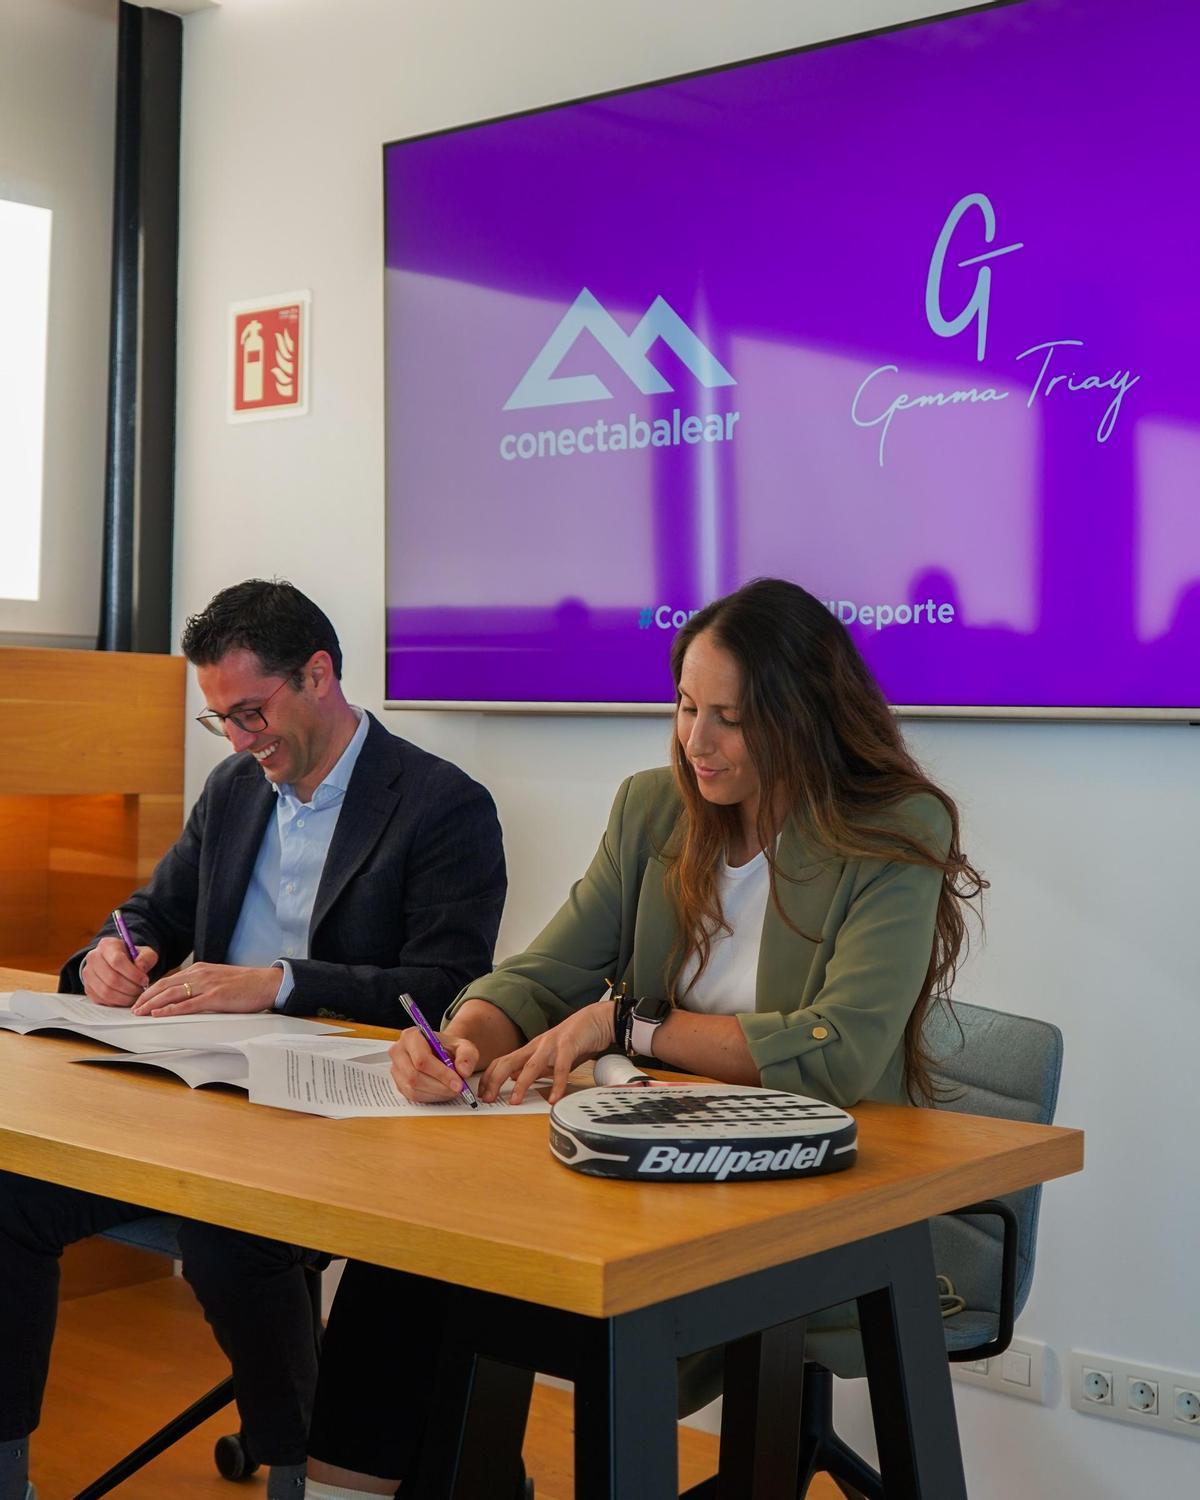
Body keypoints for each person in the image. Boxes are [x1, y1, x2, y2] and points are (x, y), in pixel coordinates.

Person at [299, 577, 984, 1500]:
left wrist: (632, 1025)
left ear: (804, 716)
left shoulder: (893, 827)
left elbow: (840, 1052)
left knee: (508, 1293)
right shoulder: (652, 809)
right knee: (414, 1258)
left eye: (731, 719)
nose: (697, 742)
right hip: (656, 1164)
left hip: (816, 1189)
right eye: (687, 707)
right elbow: (546, 973)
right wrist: (463, 1036)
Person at [0, 580, 506, 1500]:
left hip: (339, 1124)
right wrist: (112, 957)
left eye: (250, 712)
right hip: (199, 1101)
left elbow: (446, 990)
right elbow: (149, 913)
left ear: (318, 675)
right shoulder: (235, 791)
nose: (238, 740)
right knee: (7, 1194)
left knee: (231, 1237)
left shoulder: (442, 805)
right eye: (220, 720)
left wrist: (277, 984)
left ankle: (306, 1461)